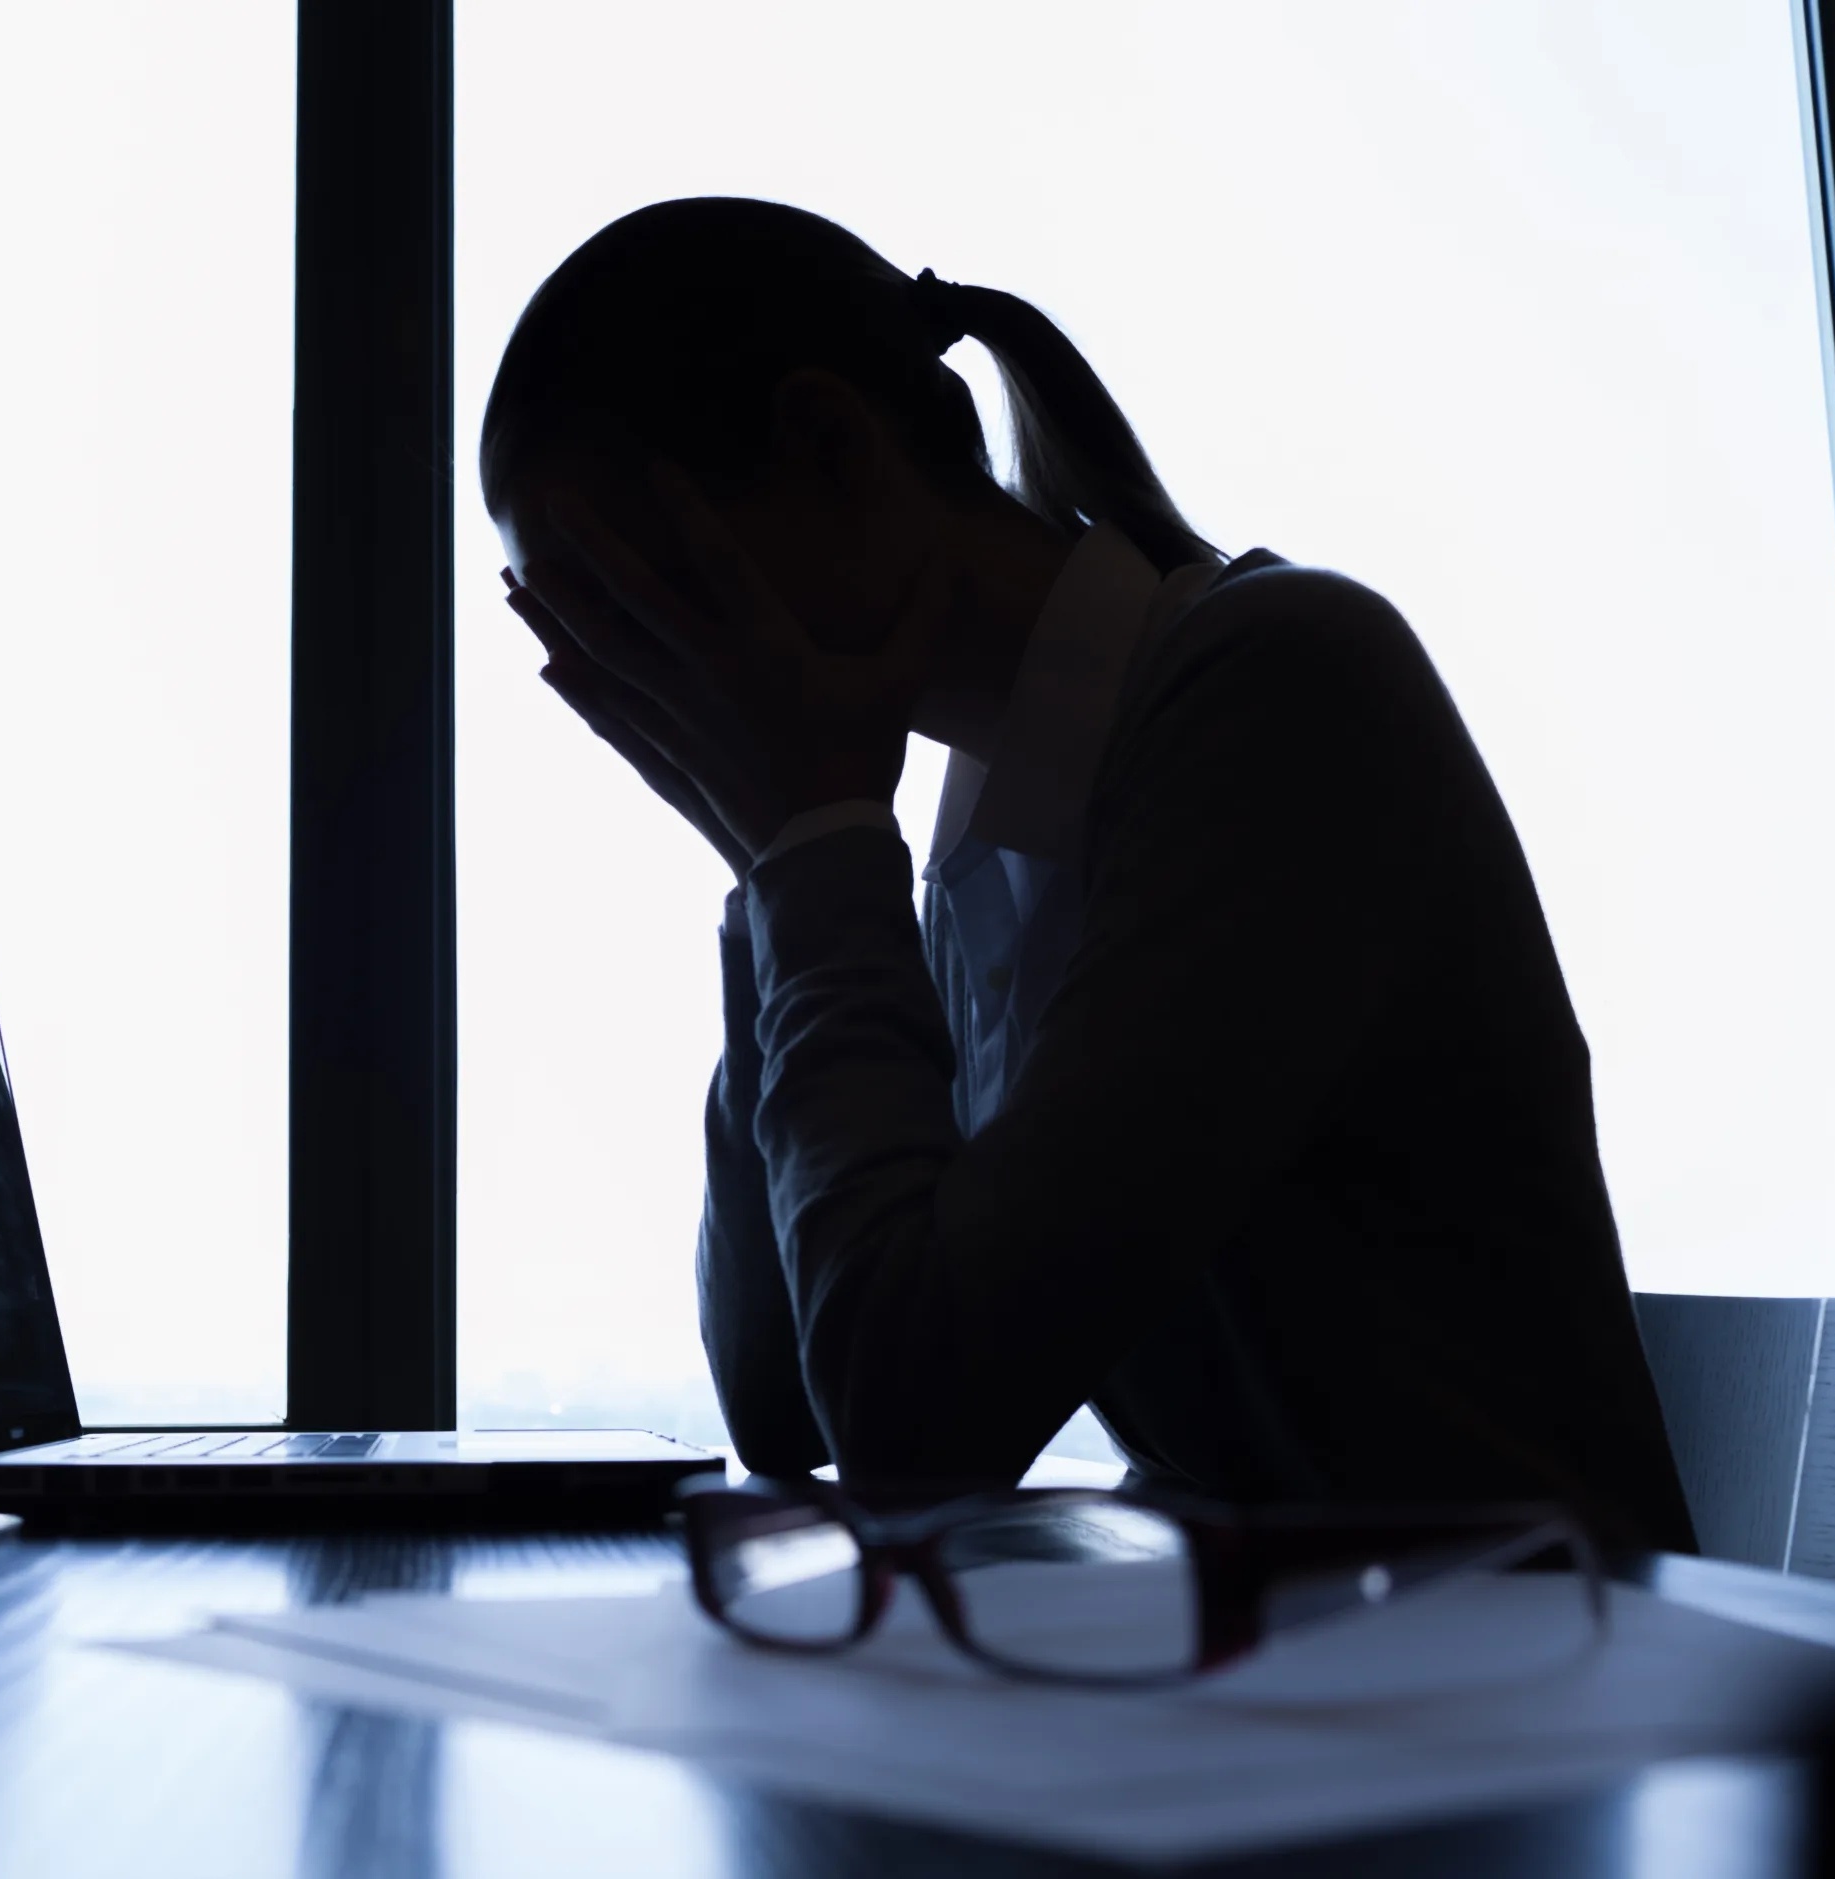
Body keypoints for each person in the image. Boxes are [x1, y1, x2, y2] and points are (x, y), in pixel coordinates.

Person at [483, 196, 1696, 1550]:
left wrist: (811, 850)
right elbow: (787, 1404)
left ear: (833, 451)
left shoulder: (1280, 693)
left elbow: (909, 1424)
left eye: (636, 609)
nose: (641, 688)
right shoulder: (974, 847)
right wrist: (773, 865)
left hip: (1535, 1697)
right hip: (1298, 1684)